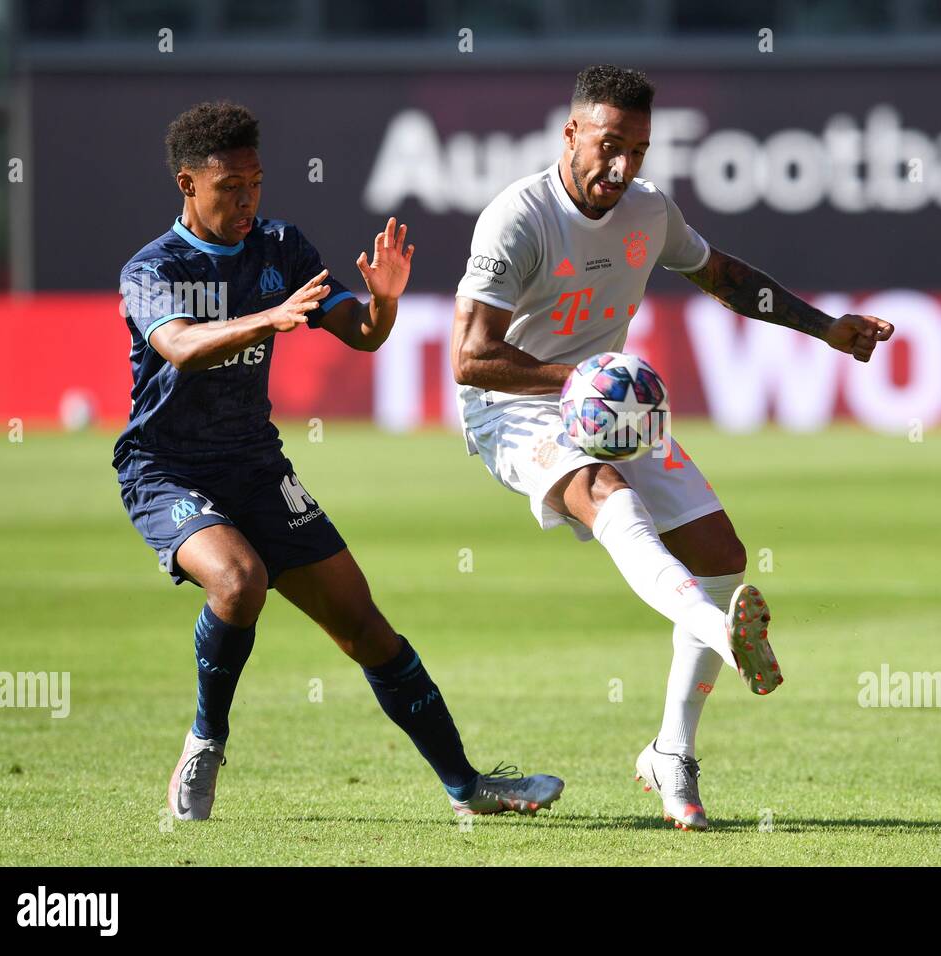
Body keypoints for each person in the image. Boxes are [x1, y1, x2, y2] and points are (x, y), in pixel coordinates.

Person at [451, 66, 892, 831]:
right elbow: (469, 357)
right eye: (609, 146)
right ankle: (725, 635)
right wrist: (582, 377)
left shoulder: (648, 211)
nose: (622, 168)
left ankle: (669, 753)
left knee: (721, 554)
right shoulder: (517, 217)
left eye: (640, 150)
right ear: (571, 134)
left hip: (608, 403)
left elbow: (722, 277)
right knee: (605, 495)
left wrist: (827, 328)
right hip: (513, 407)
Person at [116, 101, 562, 822]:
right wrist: (269, 317)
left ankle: (467, 787)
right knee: (238, 581)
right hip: (168, 469)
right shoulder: (152, 267)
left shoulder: (280, 245)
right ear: (187, 184)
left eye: (256, 184)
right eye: (230, 187)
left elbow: (360, 333)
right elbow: (180, 346)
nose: (247, 201)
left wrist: (382, 304)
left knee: (364, 627)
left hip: (258, 467)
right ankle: (206, 739)